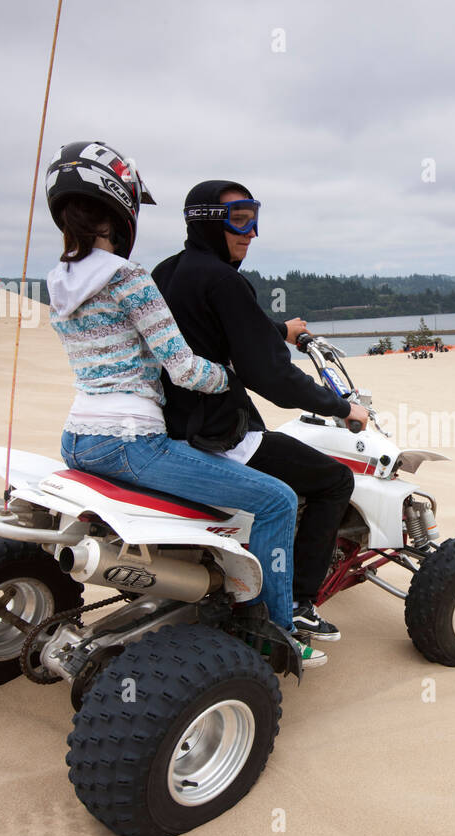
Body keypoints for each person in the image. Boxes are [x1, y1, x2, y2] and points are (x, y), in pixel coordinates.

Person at [42, 143, 323, 668]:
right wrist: (233, 374)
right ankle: (276, 632)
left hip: (77, 437)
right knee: (280, 500)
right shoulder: (128, 278)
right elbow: (185, 369)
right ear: (121, 207)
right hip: (131, 441)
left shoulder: (58, 282)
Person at [153, 179, 367, 643]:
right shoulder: (225, 280)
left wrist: (280, 329)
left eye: (254, 220)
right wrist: (340, 406)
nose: (251, 233)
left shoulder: (167, 271)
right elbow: (271, 377)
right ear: (210, 222)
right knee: (334, 481)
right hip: (215, 432)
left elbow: (214, 323)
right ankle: (296, 602)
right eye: (240, 220)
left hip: (167, 427)